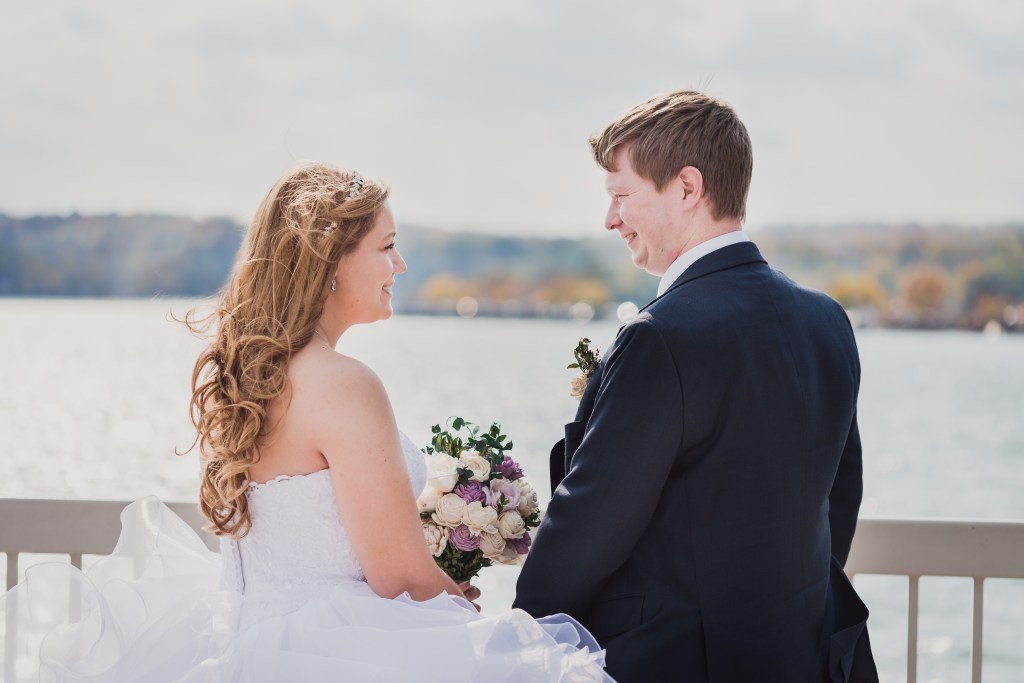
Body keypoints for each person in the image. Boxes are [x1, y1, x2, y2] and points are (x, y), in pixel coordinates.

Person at [1, 163, 613, 682]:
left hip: (245, 641)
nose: (400, 265)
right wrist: (469, 619)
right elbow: (398, 576)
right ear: (331, 261)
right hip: (333, 655)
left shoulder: (251, 379)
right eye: (386, 247)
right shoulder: (344, 384)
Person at [513, 91, 878, 682]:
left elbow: (591, 526)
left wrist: (520, 642)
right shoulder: (826, 320)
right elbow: (841, 495)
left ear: (687, 188)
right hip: (803, 656)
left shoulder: (661, 336)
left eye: (621, 195)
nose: (610, 219)